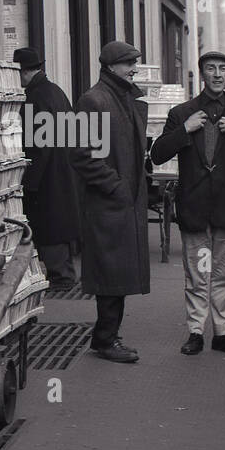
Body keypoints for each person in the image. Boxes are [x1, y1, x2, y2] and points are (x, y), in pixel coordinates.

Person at [149, 50, 225, 356]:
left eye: (222, 69)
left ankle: (222, 332)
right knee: (196, 272)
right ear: (202, 73)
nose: (217, 74)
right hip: (193, 203)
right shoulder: (182, 112)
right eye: (210, 69)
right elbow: (157, 155)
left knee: (224, 273)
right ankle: (195, 332)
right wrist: (184, 130)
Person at [67, 41, 150, 363]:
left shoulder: (122, 97)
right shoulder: (93, 100)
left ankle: (107, 336)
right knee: (111, 273)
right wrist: (116, 187)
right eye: (129, 63)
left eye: (134, 63)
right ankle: (105, 339)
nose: (134, 69)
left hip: (122, 201)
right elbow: (80, 154)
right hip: (109, 202)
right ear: (111, 66)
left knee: (119, 272)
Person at [14, 47, 80, 290]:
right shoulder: (55, 91)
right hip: (63, 167)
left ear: (23, 73)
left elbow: (38, 146)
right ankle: (63, 273)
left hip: (47, 173)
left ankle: (61, 277)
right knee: (58, 221)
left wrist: (28, 180)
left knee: (50, 223)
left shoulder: (35, 97)